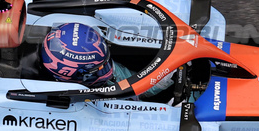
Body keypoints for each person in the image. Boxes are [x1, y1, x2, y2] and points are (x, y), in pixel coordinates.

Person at [39, 22, 173, 98]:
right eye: (100, 69)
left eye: (105, 63)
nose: (108, 71)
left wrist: (169, 70)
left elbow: (143, 88)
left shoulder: (97, 64)